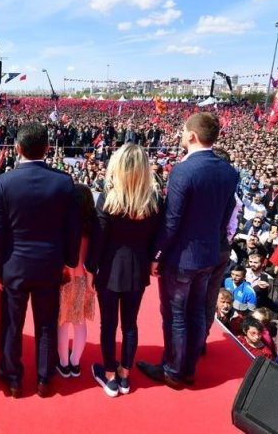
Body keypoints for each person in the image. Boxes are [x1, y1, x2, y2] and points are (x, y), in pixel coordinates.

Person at [138, 112, 238, 389]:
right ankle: (189, 369)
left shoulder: (183, 170)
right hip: (209, 253)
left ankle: (172, 370)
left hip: (181, 257)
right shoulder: (229, 171)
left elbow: (172, 220)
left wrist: (156, 255)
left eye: (183, 131)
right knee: (196, 312)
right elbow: (226, 213)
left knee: (176, 315)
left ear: (192, 135)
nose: (181, 134)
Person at [0, 122, 81, 398]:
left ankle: (14, 378)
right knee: (46, 324)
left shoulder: (4, 182)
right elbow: (72, 229)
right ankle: (44, 380)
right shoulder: (64, 182)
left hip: (14, 266)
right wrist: (69, 261)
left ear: (17, 149)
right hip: (50, 265)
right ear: (47, 148)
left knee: (12, 325)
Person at [86, 144, 162, 397]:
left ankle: (109, 376)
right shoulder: (153, 199)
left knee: (109, 325)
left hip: (108, 270)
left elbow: (98, 240)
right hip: (138, 269)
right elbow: (157, 237)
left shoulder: (108, 197)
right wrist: (153, 259)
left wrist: (89, 269)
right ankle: (125, 375)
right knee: (130, 324)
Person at [57, 184, 97, 381]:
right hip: (86, 280)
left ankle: (64, 364)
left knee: (62, 323)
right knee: (79, 323)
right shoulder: (94, 225)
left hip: (65, 279)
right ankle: (75, 362)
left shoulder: (64, 224)